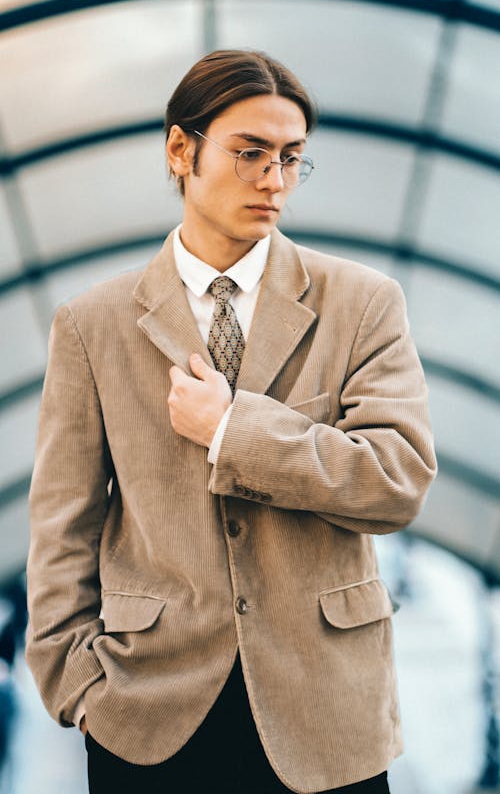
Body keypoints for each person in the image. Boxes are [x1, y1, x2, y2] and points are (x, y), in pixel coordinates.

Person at [26, 49, 437, 794]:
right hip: (148, 715)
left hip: (327, 717)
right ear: (180, 150)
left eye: (291, 158)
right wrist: (75, 686)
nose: (273, 180)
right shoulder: (93, 325)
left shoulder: (363, 304)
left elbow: (397, 479)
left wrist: (233, 430)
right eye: (250, 154)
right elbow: (63, 524)